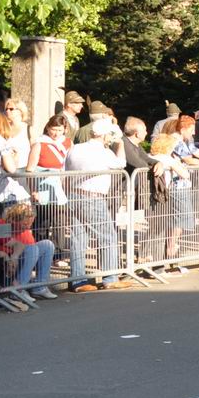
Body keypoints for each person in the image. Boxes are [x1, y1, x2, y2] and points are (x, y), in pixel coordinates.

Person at [65, 111, 129, 290]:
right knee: (108, 236)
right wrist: (120, 144)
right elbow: (121, 163)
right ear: (105, 135)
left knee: (79, 238)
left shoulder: (76, 148)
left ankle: (77, 280)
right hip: (92, 197)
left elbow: (67, 168)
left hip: (74, 194)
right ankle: (110, 278)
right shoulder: (103, 152)